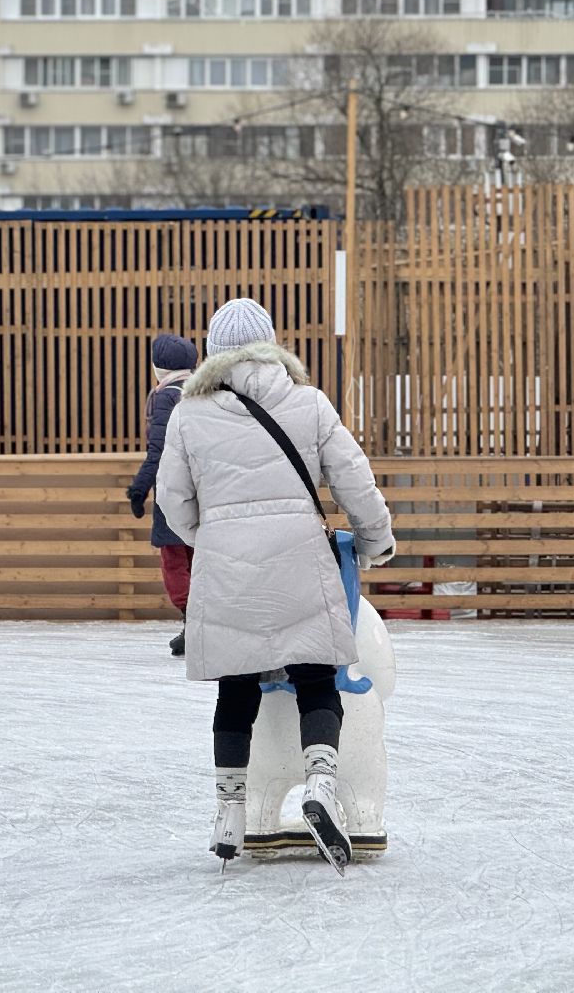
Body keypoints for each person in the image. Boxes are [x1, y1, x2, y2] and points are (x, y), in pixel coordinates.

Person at [156, 298, 395, 874]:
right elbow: (353, 477)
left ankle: (231, 813)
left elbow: (171, 500)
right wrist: (376, 539)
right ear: (270, 345)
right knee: (317, 678)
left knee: (235, 689)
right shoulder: (308, 402)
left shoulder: (188, 414)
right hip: (299, 562)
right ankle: (319, 783)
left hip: (228, 568)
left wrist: (211, 537)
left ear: (212, 351)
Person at [125, 333, 198, 656]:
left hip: (174, 490)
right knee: (198, 559)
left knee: (174, 561)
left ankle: (192, 622)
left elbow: (159, 451)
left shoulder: (165, 397)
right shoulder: (204, 392)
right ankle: (199, 624)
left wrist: (139, 489)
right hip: (205, 490)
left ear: (159, 367)